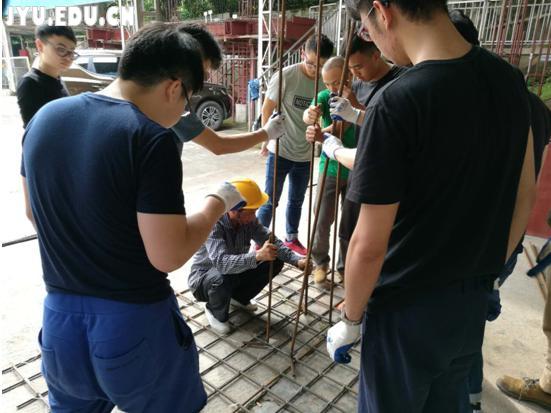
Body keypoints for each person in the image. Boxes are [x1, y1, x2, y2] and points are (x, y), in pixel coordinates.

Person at [21, 23, 247, 412]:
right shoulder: (149, 137)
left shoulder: (44, 119)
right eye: (187, 100)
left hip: (60, 323)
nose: (182, 112)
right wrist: (217, 202)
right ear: (174, 87)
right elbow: (168, 254)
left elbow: (33, 214)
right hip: (133, 326)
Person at [326, 1, 536, 413]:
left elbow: (367, 245)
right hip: (469, 302)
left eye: (366, 29)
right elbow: (523, 195)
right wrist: (488, 274)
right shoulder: (509, 79)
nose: (374, 40)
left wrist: (350, 318)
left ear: (382, 11)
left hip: (405, 309)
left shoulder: (398, 100)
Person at [447, 9, 551, 413]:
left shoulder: (482, 99)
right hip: (506, 236)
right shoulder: (527, 101)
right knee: (470, 318)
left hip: (478, 239)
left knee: (462, 325)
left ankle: (467, 398)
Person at [306, 35, 407, 272]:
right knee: (333, 222)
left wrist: (354, 110)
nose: (354, 75)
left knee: (360, 229)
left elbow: (388, 125)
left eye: (357, 68)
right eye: (350, 69)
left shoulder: (401, 81)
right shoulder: (354, 85)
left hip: (377, 171)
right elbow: (331, 120)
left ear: (376, 55)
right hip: (348, 166)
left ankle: (350, 272)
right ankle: (331, 266)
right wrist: (318, 126)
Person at [189, 179, 309, 334]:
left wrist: (297, 260)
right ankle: (214, 310)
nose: (254, 217)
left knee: (275, 257)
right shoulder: (214, 225)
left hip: (233, 274)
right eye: (251, 212)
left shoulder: (248, 222)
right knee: (223, 275)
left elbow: (272, 241)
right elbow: (222, 264)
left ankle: (239, 297)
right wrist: (257, 255)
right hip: (204, 280)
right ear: (234, 210)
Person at [256, 34, 334, 256]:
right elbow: (267, 109)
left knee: (297, 200)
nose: (315, 70)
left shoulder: (326, 81)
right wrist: (265, 139)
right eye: (310, 63)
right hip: (280, 149)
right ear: (302, 55)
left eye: (320, 66)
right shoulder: (286, 76)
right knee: (270, 200)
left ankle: (291, 238)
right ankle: (259, 241)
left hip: (305, 153)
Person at [171, 23, 287, 156]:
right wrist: (266, 133)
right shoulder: (170, 107)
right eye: (202, 75)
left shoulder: (169, 107)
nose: (200, 84)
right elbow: (218, 145)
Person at [301, 56, 356, 287]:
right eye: (327, 83)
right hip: (330, 166)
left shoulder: (360, 96)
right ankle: (320, 263)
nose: (332, 88)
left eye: (336, 82)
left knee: (350, 223)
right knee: (322, 218)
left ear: (349, 75)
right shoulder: (325, 96)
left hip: (355, 168)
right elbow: (308, 116)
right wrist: (310, 115)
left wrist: (323, 133)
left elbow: (349, 123)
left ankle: (346, 268)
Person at [16, 25, 76, 128]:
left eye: (71, 52)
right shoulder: (30, 83)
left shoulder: (57, 78)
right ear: (40, 46)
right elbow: (34, 131)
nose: (68, 58)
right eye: (61, 49)